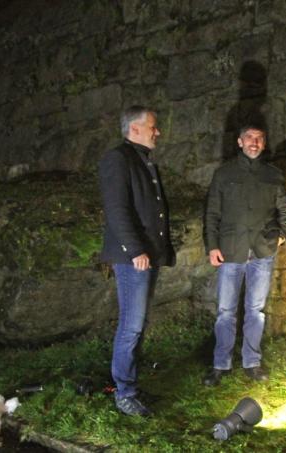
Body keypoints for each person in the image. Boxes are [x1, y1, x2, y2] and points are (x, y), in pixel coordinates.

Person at [98, 105, 176, 416]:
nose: (157, 132)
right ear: (134, 129)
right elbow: (117, 209)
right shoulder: (118, 159)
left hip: (147, 256)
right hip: (134, 259)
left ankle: (129, 386)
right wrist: (135, 250)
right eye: (153, 127)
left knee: (139, 323)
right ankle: (124, 393)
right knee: (131, 325)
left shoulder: (141, 161)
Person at [202, 125, 286, 386]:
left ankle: (252, 362)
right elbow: (212, 212)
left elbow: (284, 207)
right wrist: (212, 245)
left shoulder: (273, 174)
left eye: (259, 138)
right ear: (240, 142)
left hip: (262, 250)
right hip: (231, 250)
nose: (254, 142)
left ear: (264, 143)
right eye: (250, 138)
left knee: (256, 310)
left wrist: (282, 234)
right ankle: (221, 364)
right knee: (225, 311)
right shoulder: (224, 173)